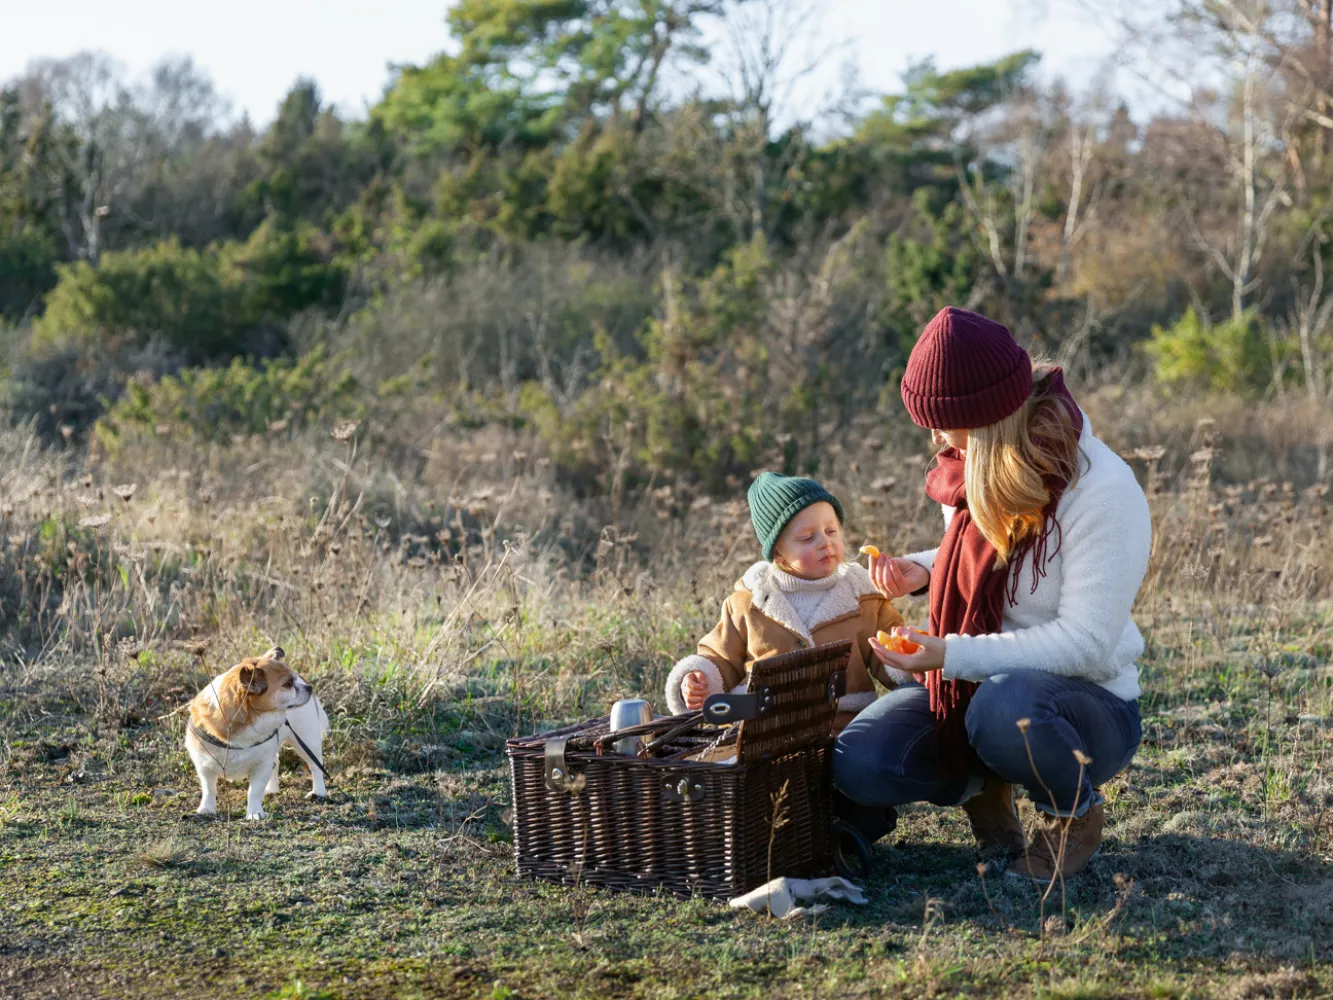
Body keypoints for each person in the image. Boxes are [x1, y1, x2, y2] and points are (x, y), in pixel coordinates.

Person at [834, 306, 1151, 880]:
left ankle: (1072, 816)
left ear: (984, 417)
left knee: (1005, 709)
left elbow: (1084, 644)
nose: (935, 439)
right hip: (980, 684)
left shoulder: (1102, 492)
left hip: (1084, 705)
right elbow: (988, 565)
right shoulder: (977, 467)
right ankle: (987, 794)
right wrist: (923, 571)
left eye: (943, 423)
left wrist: (950, 654)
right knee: (861, 761)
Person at [664, 472, 909, 732]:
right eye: (807, 538)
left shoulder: (863, 597)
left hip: (844, 726)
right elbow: (720, 658)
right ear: (778, 553)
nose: (825, 542)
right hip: (764, 730)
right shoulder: (750, 603)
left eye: (831, 531)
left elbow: (888, 650)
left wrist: (908, 657)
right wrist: (698, 682)